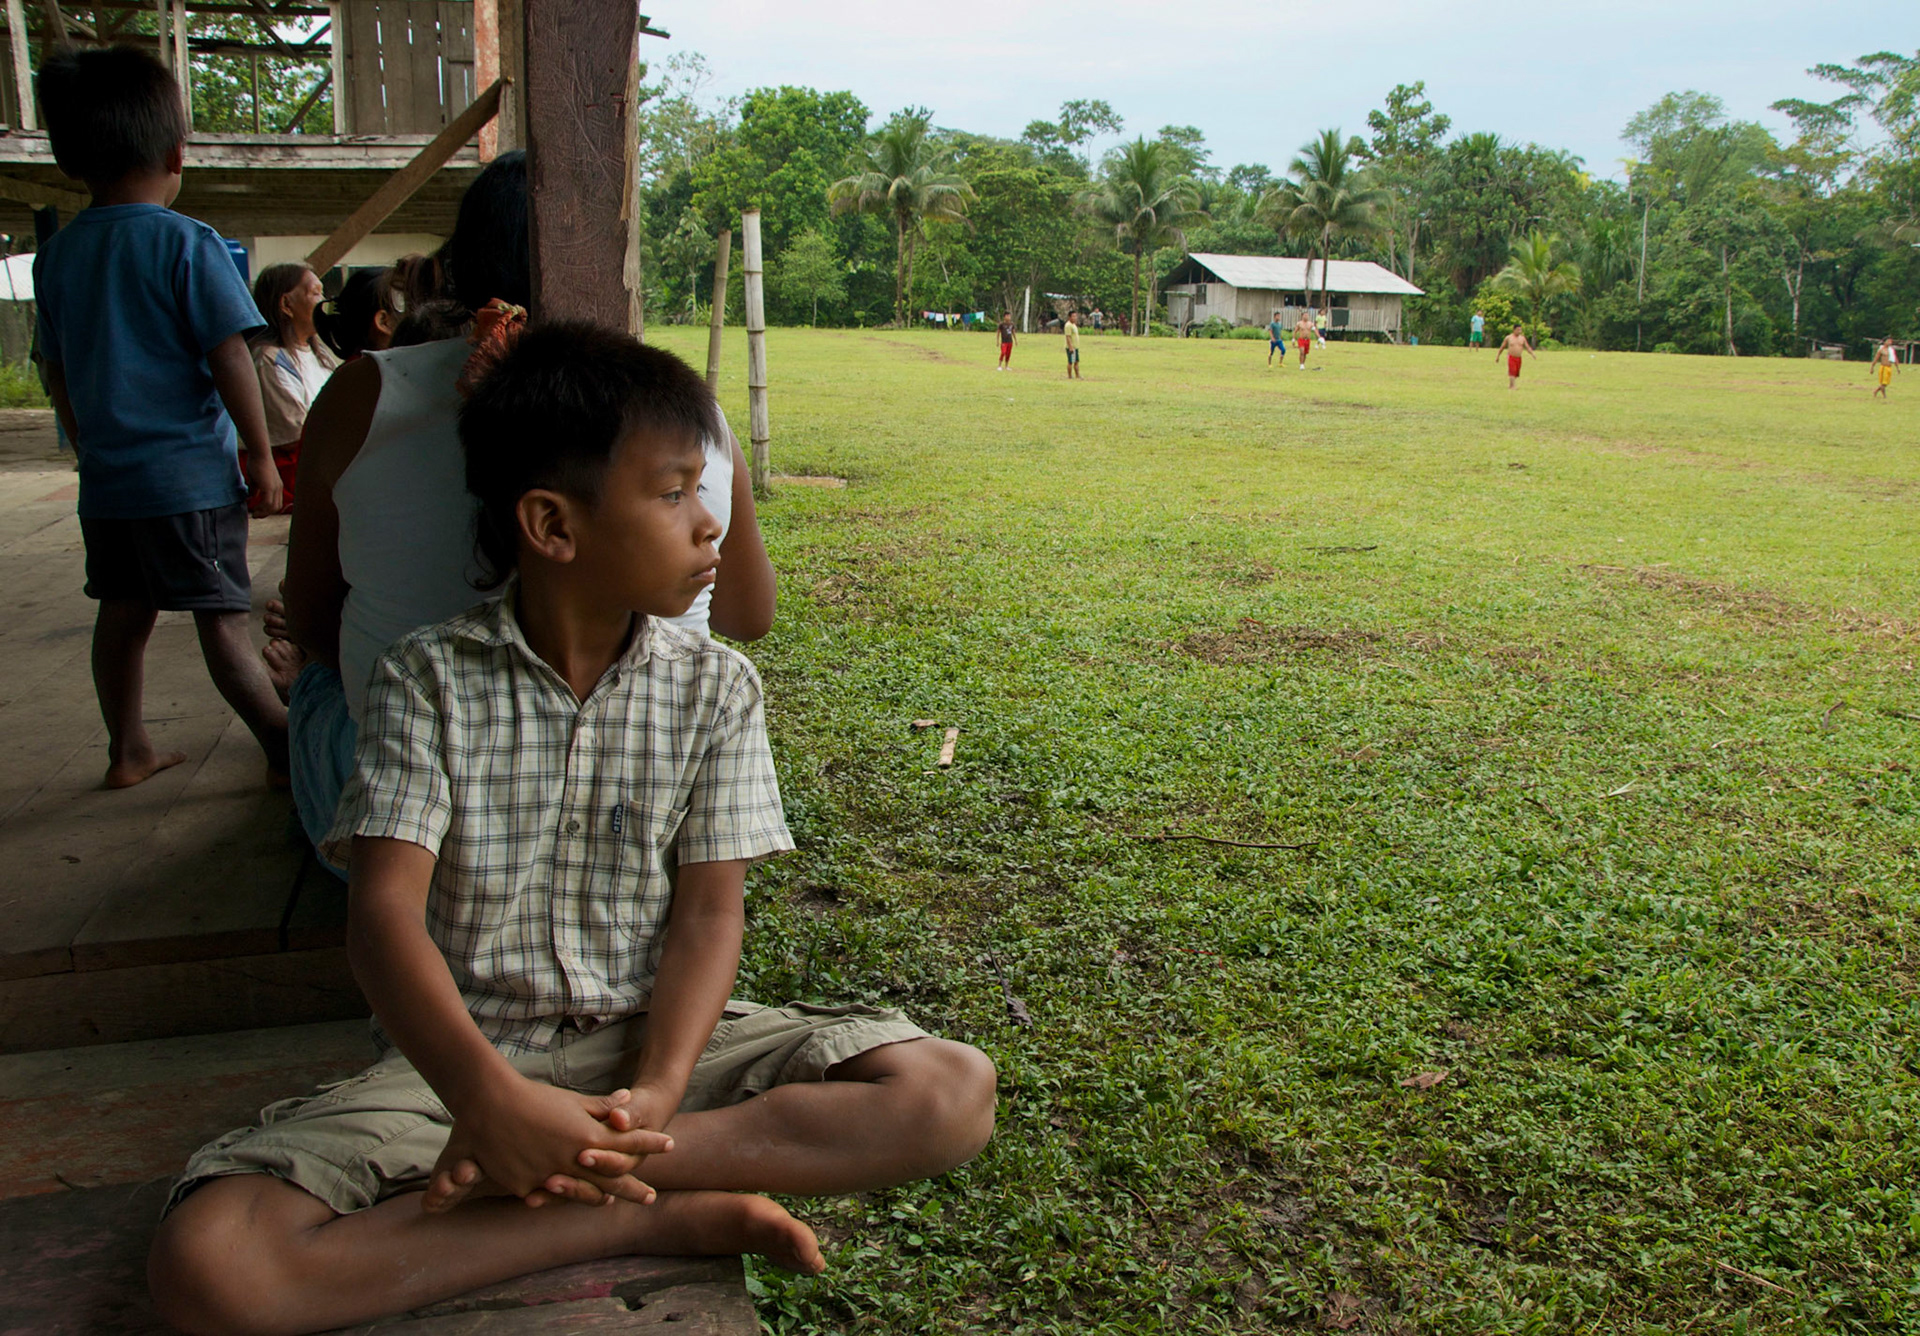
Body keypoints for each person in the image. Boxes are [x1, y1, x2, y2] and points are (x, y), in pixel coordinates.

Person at [147, 323, 999, 1334]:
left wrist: (659, 1088)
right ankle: (629, 1218)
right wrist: (489, 1101)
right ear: (554, 525)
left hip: (656, 1053)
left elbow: (707, 919)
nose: (711, 524)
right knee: (213, 1266)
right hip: (458, 1062)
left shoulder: (717, 688)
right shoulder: (429, 680)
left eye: (706, 487)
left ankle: (583, 1175)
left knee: (949, 1090)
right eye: (676, 490)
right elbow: (384, 920)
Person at [271, 153, 774, 871]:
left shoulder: (359, 397)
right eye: (675, 492)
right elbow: (747, 616)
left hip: (420, 838)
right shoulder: (677, 412)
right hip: (632, 815)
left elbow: (317, 616)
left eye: (687, 489)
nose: (703, 520)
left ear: (456, 271)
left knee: (317, 674)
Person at [32, 46, 288, 790]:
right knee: (220, 618)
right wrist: (262, 455)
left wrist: (88, 447)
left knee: (124, 614)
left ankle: (128, 749)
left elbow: (57, 372)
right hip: (188, 481)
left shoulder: (59, 258)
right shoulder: (187, 242)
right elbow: (230, 357)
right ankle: (280, 744)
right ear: (177, 152)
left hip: (110, 484)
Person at [250, 262, 339, 511]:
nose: (323, 301)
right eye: (314, 292)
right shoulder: (270, 358)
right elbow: (294, 432)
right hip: (295, 467)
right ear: (286, 305)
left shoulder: (319, 354)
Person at [1498, 324, 1535, 389]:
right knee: (1512, 371)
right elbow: (1502, 347)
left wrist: (1532, 354)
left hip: (1519, 358)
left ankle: (1510, 385)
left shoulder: (1522, 338)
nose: (1519, 331)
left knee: (1516, 373)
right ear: (1514, 330)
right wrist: (1498, 356)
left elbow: (1527, 347)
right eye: (1518, 330)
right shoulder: (1508, 337)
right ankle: (1513, 386)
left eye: (1520, 330)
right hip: (1511, 357)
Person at [1063, 309, 1082, 379]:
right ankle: (1069, 376)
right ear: (1069, 317)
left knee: (1076, 361)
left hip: (1075, 346)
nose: (1075, 318)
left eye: (1075, 316)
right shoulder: (1068, 325)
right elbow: (1068, 336)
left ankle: (1077, 375)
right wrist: (1070, 347)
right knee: (1071, 361)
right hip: (1071, 347)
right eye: (1073, 316)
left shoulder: (1073, 325)